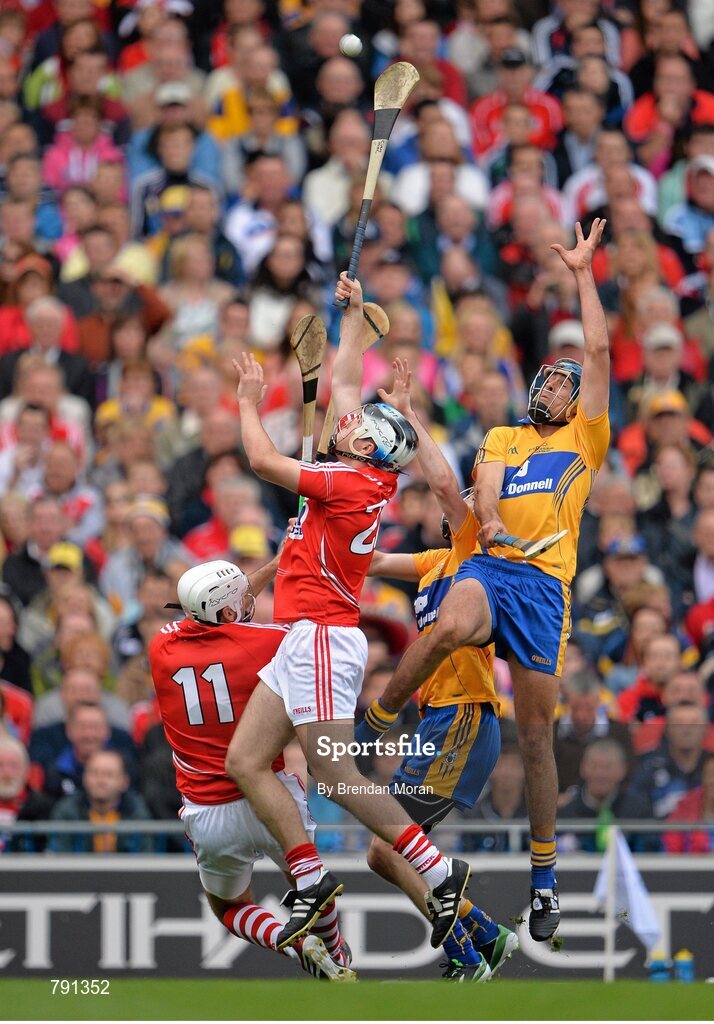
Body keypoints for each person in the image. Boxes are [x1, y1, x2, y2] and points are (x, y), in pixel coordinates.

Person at [379, 220, 611, 942]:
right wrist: (493, 523)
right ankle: (379, 720)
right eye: (547, 376)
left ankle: (545, 882)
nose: (554, 384)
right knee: (451, 621)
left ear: (578, 399)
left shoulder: (585, 439)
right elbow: (478, 489)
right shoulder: (505, 437)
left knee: (537, 739)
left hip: (546, 589)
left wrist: (580, 273)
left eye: (565, 381)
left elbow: (599, 347)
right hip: (494, 568)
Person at [225, 274, 470, 953]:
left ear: (369, 448)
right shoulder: (360, 472)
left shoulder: (346, 481)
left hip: (326, 641)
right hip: (299, 639)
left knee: (334, 772)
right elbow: (341, 390)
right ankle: (309, 876)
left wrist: (249, 401)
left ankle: (438, 869)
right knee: (245, 759)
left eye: (358, 425)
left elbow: (260, 458)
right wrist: (355, 319)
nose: (346, 418)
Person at [359, 357, 518, 981]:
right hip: (439, 721)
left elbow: (449, 487)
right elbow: (367, 562)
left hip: (464, 717)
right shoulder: (433, 560)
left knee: (385, 845)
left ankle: (466, 952)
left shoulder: (475, 549)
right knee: (382, 851)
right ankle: (482, 936)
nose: (448, 500)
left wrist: (408, 418)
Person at [149, 556, 354, 980]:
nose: (251, 598)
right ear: (228, 610)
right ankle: (338, 950)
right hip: (269, 794)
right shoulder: (269, 642)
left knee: (230, 908)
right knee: (308, 880)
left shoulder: (162, 646)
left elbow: (221, 611)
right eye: (244, 597)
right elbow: (307, 633)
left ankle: (291, 940)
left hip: (207, 811)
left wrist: (278, 562)